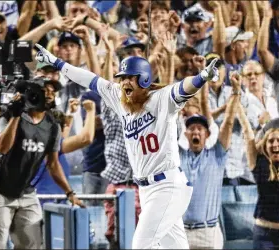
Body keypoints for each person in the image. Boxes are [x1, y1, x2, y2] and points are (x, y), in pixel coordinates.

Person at [35, 32, 219, 248]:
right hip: (147, 189)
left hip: (167, 186)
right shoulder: (119, 99)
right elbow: (88, 79)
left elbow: (184, 87)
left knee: (140, 245)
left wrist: (203, 76)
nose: (124, 83)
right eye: (122, 78)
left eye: (130, 77)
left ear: (144, 79)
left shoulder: (161, 99)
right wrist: (56, 62)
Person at [0, 77, 83, 249]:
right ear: (32, 94)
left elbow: (53, 164)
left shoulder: (52, 126)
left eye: (52, 91)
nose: (49, 94)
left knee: (33, 244)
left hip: (25, 190)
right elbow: (2, 148)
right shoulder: (9, 116)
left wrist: (70, 193)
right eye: (45, 90)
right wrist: (16, 116)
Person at [237, 77, 279, 249]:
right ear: (265, 147)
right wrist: (236, 94)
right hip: (264, 235)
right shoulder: (258, 163)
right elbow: (246, 130)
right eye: (271, 141)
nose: (275, 144)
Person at [180, 71, 239, 249]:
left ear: (207, 134)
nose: (196, 131)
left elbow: (228, 122)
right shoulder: (178, 155)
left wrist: (236, 93)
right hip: (181, 232)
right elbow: (168, 116)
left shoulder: (217, 156)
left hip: (209, 232)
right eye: (192, 128)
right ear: (185, 133)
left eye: (200, 128)